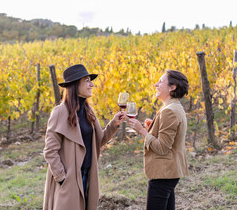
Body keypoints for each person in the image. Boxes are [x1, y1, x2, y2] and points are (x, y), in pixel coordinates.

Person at [43, 64, 125, 210]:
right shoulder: (60, 112)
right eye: (87, 80)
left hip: (87, 176)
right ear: (75, 85)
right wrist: (62, 178)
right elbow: (50, 151)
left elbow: (98, 141)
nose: (91, 84)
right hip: (69, 179)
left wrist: (114, 124)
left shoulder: (88, 111)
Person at [128, 70, 189, 210]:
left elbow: (162, 147)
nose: (156, 84)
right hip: (169, 171)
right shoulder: (174, 107)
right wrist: (152, 129)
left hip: (163, 172)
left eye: (161, 81)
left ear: (172, 87)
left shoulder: (169, 111)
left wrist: (142, 131)